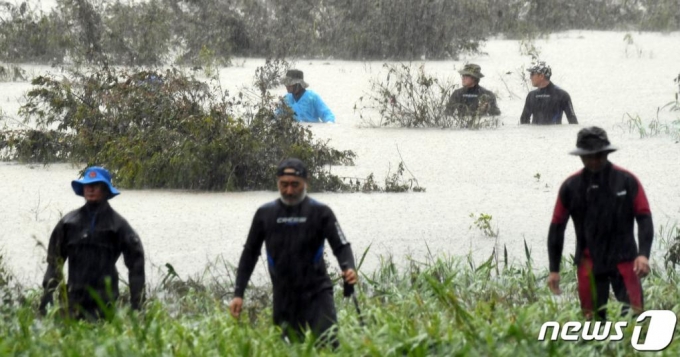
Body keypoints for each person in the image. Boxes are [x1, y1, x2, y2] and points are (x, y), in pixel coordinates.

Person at [229, 158, 357, 347]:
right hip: (284, 297)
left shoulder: (321, 212)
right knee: (289, 351)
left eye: (295, 185)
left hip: (318, 294)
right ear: (277, 183)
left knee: (329, 347)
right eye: (284, 185)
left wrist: (350, 268)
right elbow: (249, 254)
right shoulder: (264, 215)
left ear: (306, 182)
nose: (289, 191)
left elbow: (341, 246)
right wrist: (238, 293)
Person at [547, 127, 653, 320]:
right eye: (588, 157)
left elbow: (644, 217)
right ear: (580, 156)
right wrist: (554, 270)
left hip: (626, 261)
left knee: (635, 318)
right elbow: (557, 227)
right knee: (593, 321)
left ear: (607, 153)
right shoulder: (571, 187)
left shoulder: (627, 181)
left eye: (599, 156)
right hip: (589, 263)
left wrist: (643, 255)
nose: (594, 161)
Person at [39, 166, 145, 319]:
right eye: (88, 185)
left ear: (106, 190)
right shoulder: (68, 224)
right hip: (73, 299)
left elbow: (136, 266)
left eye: (96, 185)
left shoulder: (118, 226)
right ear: (82, 189)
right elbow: (54, 263)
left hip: (105, 301)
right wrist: (47, 295)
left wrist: (137, 304)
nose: (90, 189)